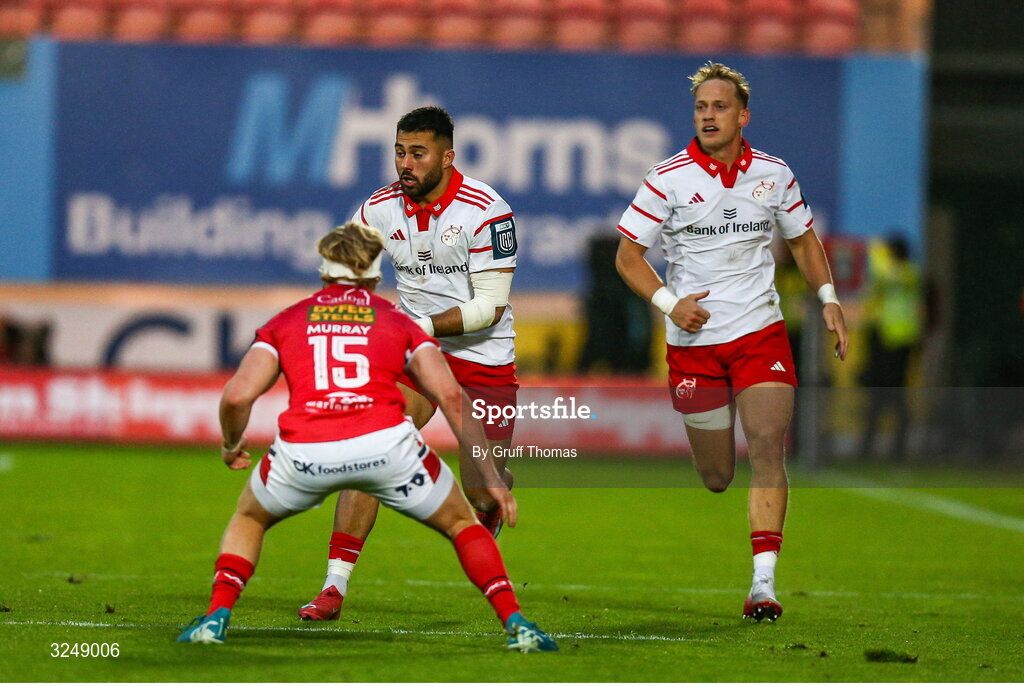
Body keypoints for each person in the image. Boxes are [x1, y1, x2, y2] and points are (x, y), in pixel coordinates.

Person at [176, 222, 556, 653]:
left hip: (304, 449)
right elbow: (450, 396)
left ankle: (216, 619)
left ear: (323, 273)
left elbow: (237, 396)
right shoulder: (398, 323)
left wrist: (231, 444)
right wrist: (487, 472)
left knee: (249, 518)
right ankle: (517, 624)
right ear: (376, 277)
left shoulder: (286, 321)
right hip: (385, 447)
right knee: (461, 523)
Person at [614, 62, 849, 622]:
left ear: (742, 115)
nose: (708, 116)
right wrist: (672, 304)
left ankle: (763, 586)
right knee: (717, 476)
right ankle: (748, 545)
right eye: (701, 108)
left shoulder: (773, 174)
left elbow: (803, 239)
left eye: (719, 107)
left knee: (769, 446)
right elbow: (627, 258)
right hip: (693, 342)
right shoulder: (667, 179)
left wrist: (830, 298)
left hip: (758, 329)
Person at [299, 106, 522, 622]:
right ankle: (334, 585)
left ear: (446, 156)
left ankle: (490, 496)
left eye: (417, 153)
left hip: (483, 354)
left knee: (481, 490)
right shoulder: (379, 207)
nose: (405, 163)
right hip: (416, 352)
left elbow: (488, 307)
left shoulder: (487, 211)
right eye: (399, 152)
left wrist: (417, 326)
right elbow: (342, 268)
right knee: (371, 442)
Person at [857, 234, 922, 460]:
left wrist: (875, 251)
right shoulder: (893, 274)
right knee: (879, 396)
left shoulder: (909, 273)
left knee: (894, 395)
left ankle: (897, 447)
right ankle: (870, 446)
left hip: (899, 342)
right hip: (883, 339)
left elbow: (886, 276)